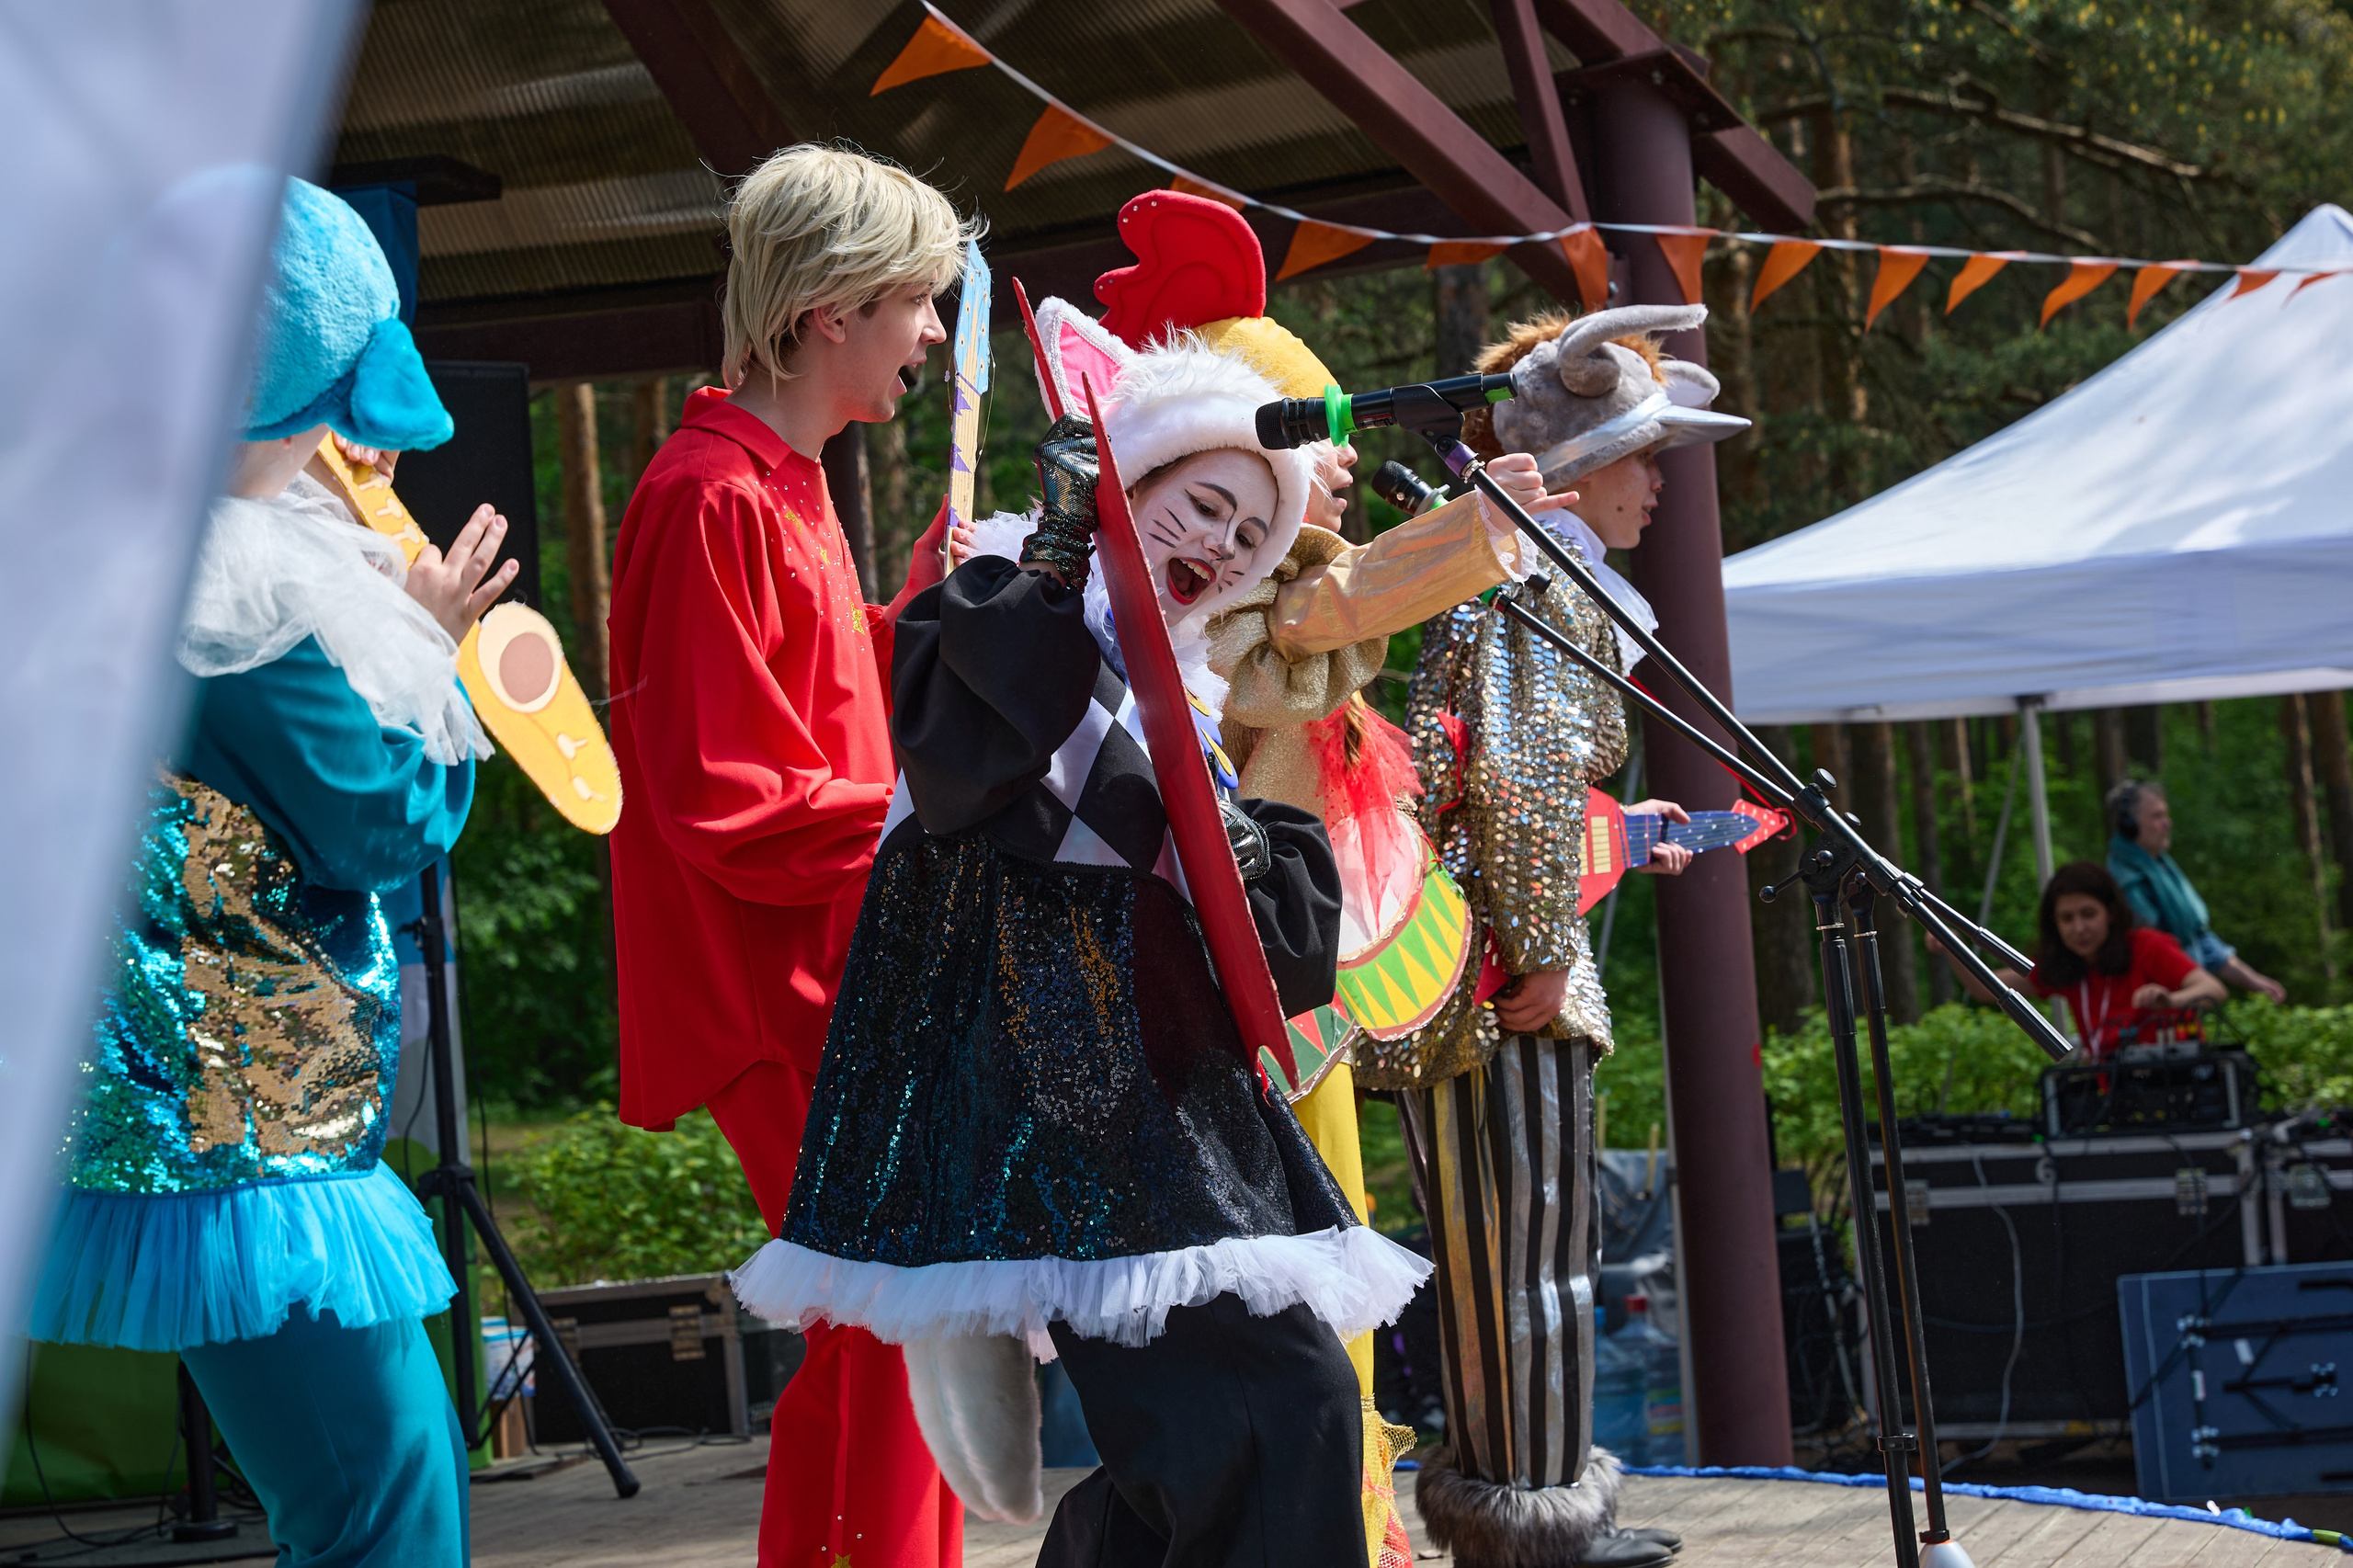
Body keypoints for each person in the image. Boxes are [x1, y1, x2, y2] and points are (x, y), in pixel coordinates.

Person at [729, 325, 1431, 1565]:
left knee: (1248, 1432)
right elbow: (967, 768)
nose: (1213, 546)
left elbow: (1267, 946)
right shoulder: (999, 611)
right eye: (1200, 506)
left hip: (1167, 1115)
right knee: (1274, 1416)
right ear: (1132, 484)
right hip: (1057, 1118)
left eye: (1242, 538)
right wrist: (1057, 551)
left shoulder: (1194, 720)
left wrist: (1238, 834)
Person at [1087, 187, 1574, 1565]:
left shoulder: (1265, 578)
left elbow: (1338, 592)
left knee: (1328, 1273)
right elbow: (1331, 605)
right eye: (1303, 427)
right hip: (1241, 985)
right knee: (1305, 1290)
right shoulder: (1223, 597)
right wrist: (1482, 535)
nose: (1340, 452)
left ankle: (1343, 1527)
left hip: (1290, 964)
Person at [30, 177, 510, 1567]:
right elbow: (379, 823)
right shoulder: (226, 587)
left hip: (195, 1107)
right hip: (255, 1124)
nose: (343, 436)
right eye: (326, 394)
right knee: (381, 1496)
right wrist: (429, 654)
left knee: (361, 1487)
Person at [604, 144, 975, 1568]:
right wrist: (932, 813)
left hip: (835, 960)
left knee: (890, 1323)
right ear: (831, 310)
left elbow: (818, 705)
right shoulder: (713, 493)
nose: (933, 337)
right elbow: (719, 791)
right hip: (783, 982)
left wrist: (929, 605)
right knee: (902, 1318)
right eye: (915, 304)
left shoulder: (780, 481)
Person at [1357, 303, 1749, 1568]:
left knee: (1513, 1246)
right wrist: (1534, 948)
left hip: (1482, 962)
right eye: (1646, 456)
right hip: (1497, 978)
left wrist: (1610, 833)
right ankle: (1532, 1513)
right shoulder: (1542, 580)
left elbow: (1515, 774)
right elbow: (1518, 776)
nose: (1657, 484)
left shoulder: (1531, 575)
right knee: (1524, 1248)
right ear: (1580, 463)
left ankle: (1527, 1494)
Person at [1934, 860, 2225, 1059]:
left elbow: (2213, 989)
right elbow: (1985, 988)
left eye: (2088, 914)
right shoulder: (2066, 964)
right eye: (2067, 918)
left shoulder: (2147, 945)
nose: (2078, 928)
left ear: (2110, 912)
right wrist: (1953, 946)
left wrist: (2170, 1001)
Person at [2108, 778, 2286, 1001]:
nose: (2167, 823)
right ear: (2129, 824)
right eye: (2157, 816)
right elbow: (2158, 952)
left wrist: (2253, 981)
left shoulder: (2162, 868)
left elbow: (2198, 939)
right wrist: (2199, 988)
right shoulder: (2124, 881)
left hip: (2182, 1000)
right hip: (2154, 1008)